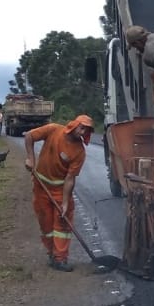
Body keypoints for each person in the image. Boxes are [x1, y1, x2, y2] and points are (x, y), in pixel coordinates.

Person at [25, 115, 94, 272]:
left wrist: (64, 203)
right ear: (75, 125)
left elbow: (70, 179)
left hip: (60, 190)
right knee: (46, 224)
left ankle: (60, 258)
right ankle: (51, 254)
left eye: (86, 131)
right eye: (82, 128)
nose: (83, 132)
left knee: (62, 223)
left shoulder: (79, 152)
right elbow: (29, 136)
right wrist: (30, 158)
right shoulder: (53, 130)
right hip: (41, 186)